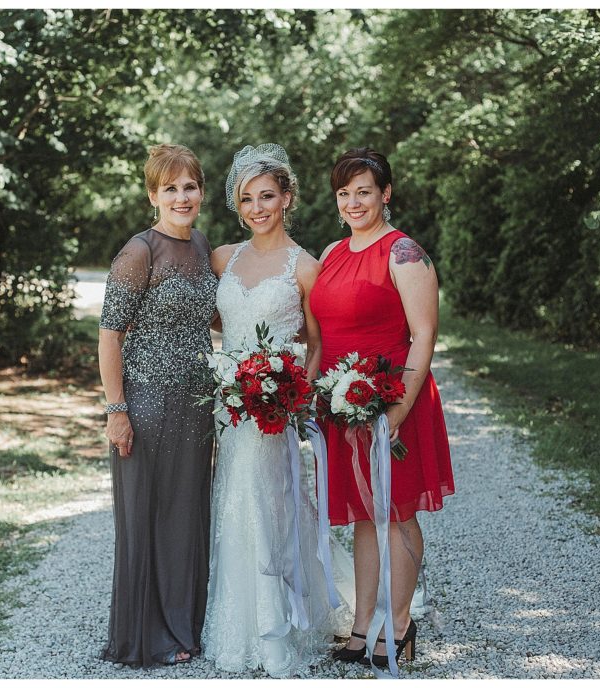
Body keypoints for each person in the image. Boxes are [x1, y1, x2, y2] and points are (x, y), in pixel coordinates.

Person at [202, 143, 352, 677]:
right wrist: (234, 371)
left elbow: (316, 343)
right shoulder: (223, 257)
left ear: (286, 197)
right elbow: (220, 321)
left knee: (268, 501)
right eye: (247, 199)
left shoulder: (305, 266)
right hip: (230, 404)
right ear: (237, 205)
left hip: (273, 409)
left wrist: (292, 392)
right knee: (235, 501)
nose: (258, 207)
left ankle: (274, 632)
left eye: (268, 196)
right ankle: (236, 623)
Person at [309, 147, 455, 668]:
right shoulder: (330, 253)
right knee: (364, 519)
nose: (353, 202)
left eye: (364, 191)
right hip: (342, 405)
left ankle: (400, 626)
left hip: (395, 399)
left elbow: (424, 335)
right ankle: (361, 627)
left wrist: (395, 411)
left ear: (385, 194)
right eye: (344, 193)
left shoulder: (404, 253)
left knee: (396, 511)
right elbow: (320, 334)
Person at [98, 143, 217, 667]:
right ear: (153, 195)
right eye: (170, 188)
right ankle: (146, 638)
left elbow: (211, 316)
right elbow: (108, 336)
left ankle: (183, 628)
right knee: (146, 517)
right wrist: (115, 410)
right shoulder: (139, 251)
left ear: (202, 192)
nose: (182, 196)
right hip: (144, 406)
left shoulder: (204, 247)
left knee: (186, 516)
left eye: (189, 186)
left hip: (197, 407)